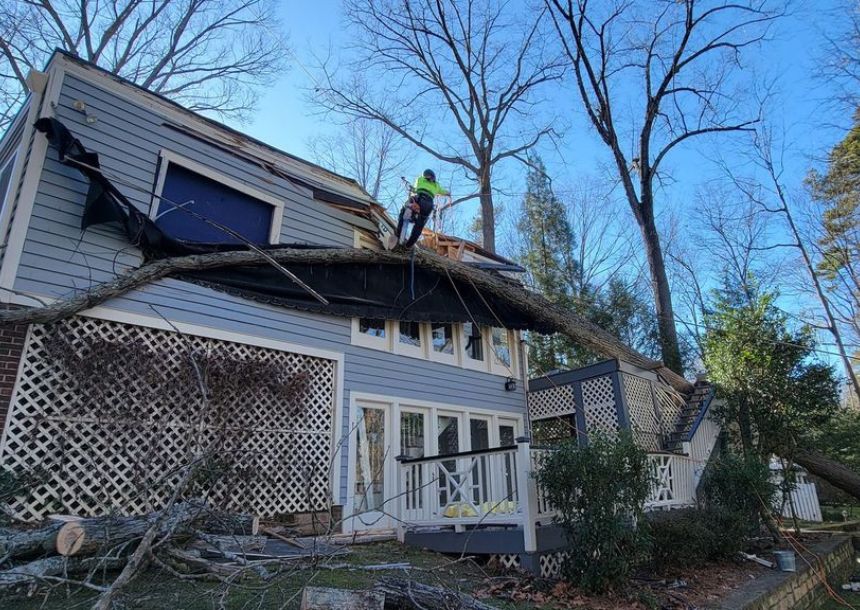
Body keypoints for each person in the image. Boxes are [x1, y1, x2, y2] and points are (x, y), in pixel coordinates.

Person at [396, 169, 450, 248]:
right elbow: (443, 191)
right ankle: (409, 245)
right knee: (419, 225)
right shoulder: (436, 185)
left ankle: (398, 232)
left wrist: (410, 187)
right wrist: (448, 193)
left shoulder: (420, 179)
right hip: (428, 204)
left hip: (419, 198)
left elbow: (415, 189)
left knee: (404, 211)